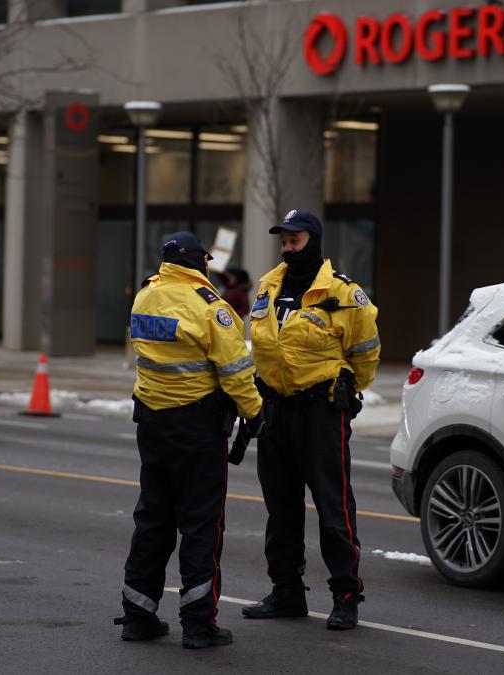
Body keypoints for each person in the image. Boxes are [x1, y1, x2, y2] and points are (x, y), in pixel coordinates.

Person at [115, 231, 262, 649]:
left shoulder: (145, 296)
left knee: (153, 520)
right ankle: (198, 624)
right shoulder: (211, 307)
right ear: (199, 261)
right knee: (201, 524)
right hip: (197, 427)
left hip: (152, 423)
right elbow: (236, 372)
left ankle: (138, 616)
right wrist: (254, 412)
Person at [242, 209, 381, 630]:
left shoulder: (342, 292)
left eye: (295, 241)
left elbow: (366, 352)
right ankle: (286, 591)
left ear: (314, 241)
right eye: (283, 241)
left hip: (321, 412)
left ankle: (346, 596)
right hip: (276, 410)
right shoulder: (269, 286)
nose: (287, 248)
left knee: (333, 508)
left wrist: (347, 388)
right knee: (280, 509)